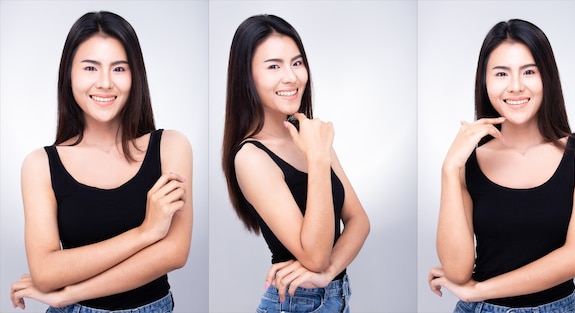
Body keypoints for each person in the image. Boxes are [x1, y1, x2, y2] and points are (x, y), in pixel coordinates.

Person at [9, 11, 193, 313]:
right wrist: (145, 233)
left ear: (135, 75)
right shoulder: (40, 165)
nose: (105, 82)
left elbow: (174, 253)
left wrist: (67, 293)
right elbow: (45, 271)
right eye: (91, 68)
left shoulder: (171, 147)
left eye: (119, 68)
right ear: (70, 74)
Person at [428, 19, 575, 313]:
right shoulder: (467, 161)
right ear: (485, 81)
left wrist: (480, 290)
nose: (515, 86)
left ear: (546, 77)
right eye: (501, 73)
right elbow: (457, 272)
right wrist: (449, 168)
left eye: (529, 71)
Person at [221, 14, 370, 313]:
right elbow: (314, 256)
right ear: (246, 76)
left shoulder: (311, 136)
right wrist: (317, 158)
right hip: (294, 303)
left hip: (336, 297)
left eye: (297, 63)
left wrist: (328, 274)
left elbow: (359, 222)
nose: (291, 76)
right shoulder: (251, 157)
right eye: (274, 66)